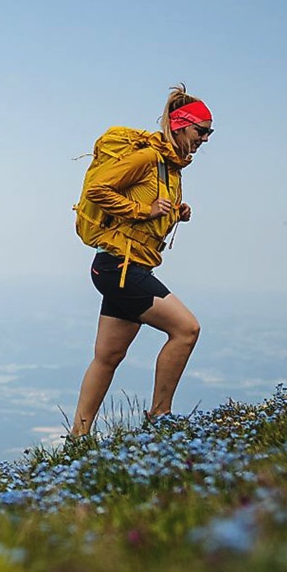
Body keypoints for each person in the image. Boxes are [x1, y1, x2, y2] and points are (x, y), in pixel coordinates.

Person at [69, 86, 214, 436]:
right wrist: (141, 210)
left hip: (124, 267)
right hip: (119, 267)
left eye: (209, 134)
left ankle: (78, 438)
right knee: (186, 330)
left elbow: (151, 207)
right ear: (180, 126)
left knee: (108, 357)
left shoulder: (172, 167)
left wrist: (175, 212)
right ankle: (160, 417)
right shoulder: (149, 158)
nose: (204, 140)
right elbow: (97, 190)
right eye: (201, 131)